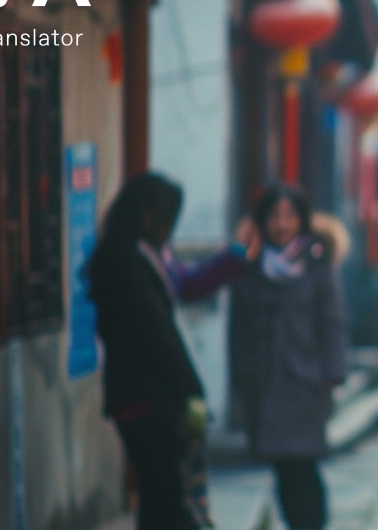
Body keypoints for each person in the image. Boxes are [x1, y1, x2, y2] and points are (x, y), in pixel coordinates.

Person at [86, 171, 257, 530]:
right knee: (164, 497)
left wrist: (236, 254)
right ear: (147, 215)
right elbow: (157, 332)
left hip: (145, 395)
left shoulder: (149, 254)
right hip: (144, 397)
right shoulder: (126, 260)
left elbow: (189, 284)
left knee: (161, 496)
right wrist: (192, 390)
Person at [228, 183, 348, 530]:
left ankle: (310, 524)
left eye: (289, 216)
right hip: (265, 383)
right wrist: (241, 376)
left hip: (305, 381)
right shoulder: (250, 266)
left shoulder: (316, 264)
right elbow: (239, 326)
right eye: (275, 216)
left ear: (302, 220)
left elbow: (332, 322)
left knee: (304, 464)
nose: (282, 224)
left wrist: (332, 374)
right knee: (281, 465)